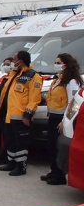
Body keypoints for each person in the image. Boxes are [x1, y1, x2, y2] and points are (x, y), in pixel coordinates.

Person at [0, 51, 42, 176]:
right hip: (9, 116)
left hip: (21, 117)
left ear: (20, 61)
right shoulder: (15, 74)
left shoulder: (33, 76)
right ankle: (11, 162)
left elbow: (34, 99)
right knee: (10, 141)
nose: (12, 62)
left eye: (14, 60)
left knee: (21, 142)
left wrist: (27, 115)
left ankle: (21, 166)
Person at [42, 53, 83, 184]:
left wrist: (64, 120)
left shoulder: (71, 81)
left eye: (59, 63)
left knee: (58, 148)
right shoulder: (58, 79)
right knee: (51, 146)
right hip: (52, 116)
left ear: (66, 64)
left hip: (60, 118)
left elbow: (72, 102)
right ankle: (53, 171)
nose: (56, 65)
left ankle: (59, 175)